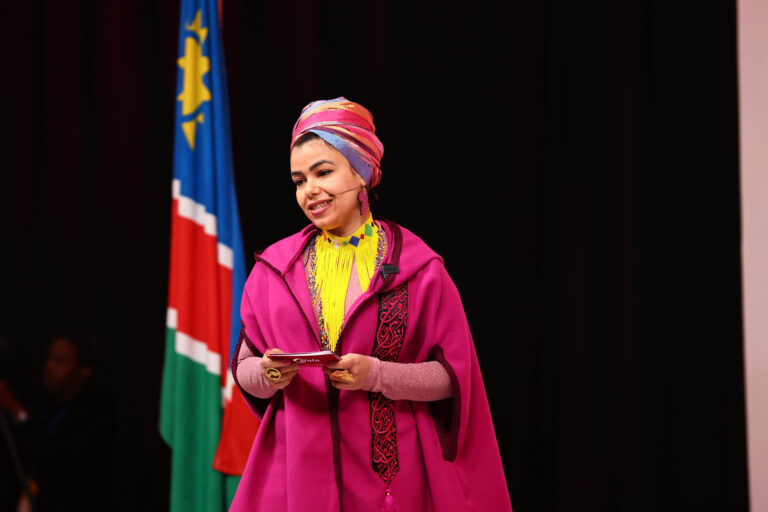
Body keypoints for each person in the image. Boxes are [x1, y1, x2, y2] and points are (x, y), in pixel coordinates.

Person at [230, 98, 512, 512]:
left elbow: (453, 377)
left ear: (362, 174)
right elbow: (244, 367)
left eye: (323, 172)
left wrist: (376, 374)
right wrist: (269, 373)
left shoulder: (421, 269)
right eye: (299, 180)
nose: (309, 190)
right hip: (297, 473)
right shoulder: (273, 271)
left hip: (393, 478)